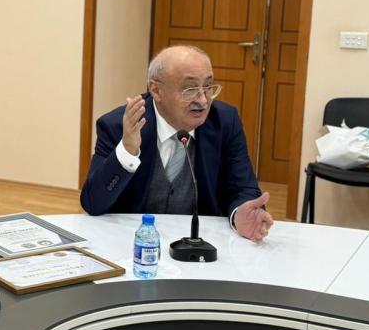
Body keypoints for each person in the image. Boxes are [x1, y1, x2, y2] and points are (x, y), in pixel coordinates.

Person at [81, 45, 273, 242]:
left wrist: (240, 214)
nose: (203, 101)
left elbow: (243, 187)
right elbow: (93, 203)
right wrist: (127, 151)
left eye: (208, 87)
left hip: (201, 243)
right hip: (132, 242)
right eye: (190, 89)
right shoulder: (119, 126)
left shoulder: (224, 122)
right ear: (156, 90)